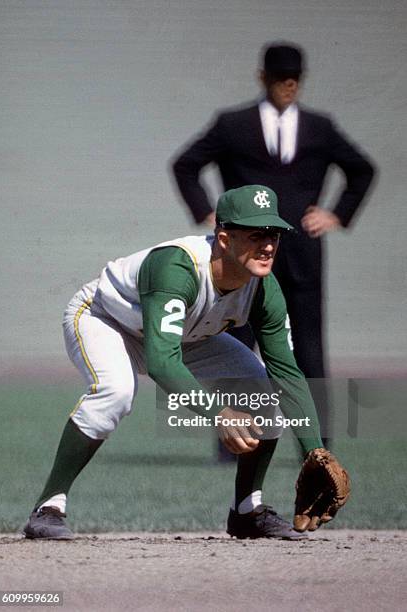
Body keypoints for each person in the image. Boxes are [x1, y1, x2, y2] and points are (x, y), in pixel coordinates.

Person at [24, 185, 335, 541]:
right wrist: (219, 413)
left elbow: (287, 372)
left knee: (260, 394)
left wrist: (315, 450)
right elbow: (161, 362)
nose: (268, 245)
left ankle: (247, 511)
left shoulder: (264, 290)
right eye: (256, 235)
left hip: (185, 336)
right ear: (223, 239)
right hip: (105, 319)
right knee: (117, 391)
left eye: (274, 235)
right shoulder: (178, 267)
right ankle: (48, 507)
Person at [171, 42, 376, 444]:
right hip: (241, 256)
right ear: (262, 77)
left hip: (300, 253)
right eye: (281, 77)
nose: (289, 85)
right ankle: (235, 438)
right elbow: (185, 164)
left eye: (295, 78)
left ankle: (317, 439)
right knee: (237, 344)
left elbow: (362, 169)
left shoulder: (320, 127)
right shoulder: (233, 125)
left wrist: (336, 214)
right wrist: (208, 212)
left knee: (309, 344)